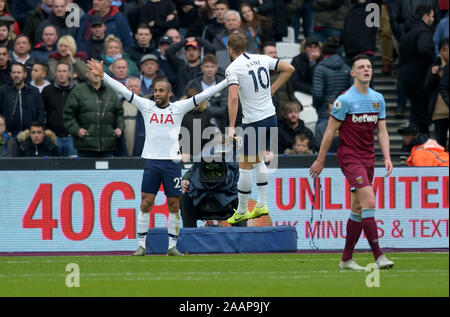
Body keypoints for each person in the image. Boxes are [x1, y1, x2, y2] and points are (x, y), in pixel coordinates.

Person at [85, 57, 228, 256]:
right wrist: (104, 76)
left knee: (173, 204)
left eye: (161, 91)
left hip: (172, 163)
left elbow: (205, 94)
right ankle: (141, 245)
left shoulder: (179, 108)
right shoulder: (146, 106)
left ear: (169, 93)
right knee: (146, 202)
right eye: (155, 90)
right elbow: (124, 91)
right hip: (152, 162)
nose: (157, 94)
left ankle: (172, 247)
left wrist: (226, 81)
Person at [310, 54, 394, 271]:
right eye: (361, 67)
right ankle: (379, 256)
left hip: (368, 157)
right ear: (353, 72)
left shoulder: (378, 99)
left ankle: (346, 259)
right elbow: (330, 131)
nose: (366, 69)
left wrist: (386, 156)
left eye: (369, 66)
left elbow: (382, 131)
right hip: (349, 157)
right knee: (370, 201)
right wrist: (320, 160)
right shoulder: (344, 100)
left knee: (357, 208)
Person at [225, 31, 295, 225]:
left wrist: (231, 126)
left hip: (253, 121)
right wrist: (273, 88)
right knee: (258, 161)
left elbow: (233, 97)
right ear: (245, 46)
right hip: (270, 118)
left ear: (230, 49)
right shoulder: (262, 58)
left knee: (245, 165)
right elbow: (289, 68)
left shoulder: (233, 68)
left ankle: (241, 210)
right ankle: (262, 204)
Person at [63, 64, 124, 158]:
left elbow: (119, 113)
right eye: (92, 70)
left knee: (107, 173)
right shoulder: (78, 91)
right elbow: (68, 116)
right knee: (85, 173)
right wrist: (76, 130)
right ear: (87, 73)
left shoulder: (110, 91)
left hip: (108, 146)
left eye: (98, 70)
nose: (96, 74)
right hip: (85, 146)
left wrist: (120, 127)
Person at [399, 4, 436, 136]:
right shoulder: (424, 31)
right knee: (420, 114)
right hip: (419, 77)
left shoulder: (408, 31)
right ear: (425, 17)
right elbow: (424, 48)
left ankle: (418, 143)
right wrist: (435, 60)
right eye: (432, 16)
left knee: (417, 112)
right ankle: (417, 144)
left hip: (406, 77)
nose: (433, 20)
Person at [183, 54, 228, 133]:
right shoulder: (192, 84)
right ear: (202, 68)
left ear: (217, 68)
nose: (209, 69)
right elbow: (185, 105)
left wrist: (203, 107)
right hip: (196, 125)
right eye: (207, 67)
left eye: (212, 66)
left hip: (220, 125)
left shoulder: (223, 85)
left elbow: (224, 110)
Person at [312, 37, 352, 125]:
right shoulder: (347, 68)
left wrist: (318, 106)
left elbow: (317, 93)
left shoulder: (319, 69)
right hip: (343, 112)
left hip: (325, 113)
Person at [42, 61, 77, 156]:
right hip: (52, 137)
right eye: (59, 71)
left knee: (73, 167)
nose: (61, 74)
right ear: (55, 73)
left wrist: (76, 131)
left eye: (64, 71)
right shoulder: (47, 90)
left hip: (72, 138)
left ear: (70, 73)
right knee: (52, 168)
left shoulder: (77, 90)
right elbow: (41, 112)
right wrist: (45, 130)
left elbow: (82, 113)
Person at [0, 62, 45, 137]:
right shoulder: (3, 90)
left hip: (29, 135)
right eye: (14, 72)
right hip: (8, 134)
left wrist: (36, 131)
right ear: (10, 74)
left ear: (25, 74)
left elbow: (40, 113)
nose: (16, 75)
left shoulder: (34, 91)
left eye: (19, 72)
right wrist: (4, 131)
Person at [261, 42, 296, 119]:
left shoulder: (284, 72)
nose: (274, 55)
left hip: (285, 116)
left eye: (275, 52)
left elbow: (290, 93)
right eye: (271, 53)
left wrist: (296, 105)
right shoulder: (259, 76)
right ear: (262, 56)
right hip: (268, 117)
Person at [425, 38, 448, 150]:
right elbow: (428, 88)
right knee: (440, 143)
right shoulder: (435, 65)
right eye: (443, 50)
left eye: (448, 50)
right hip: (439, 111)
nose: (446, 53)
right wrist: (433, 75)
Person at [122, 76, 141, 156]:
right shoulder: (119, 104)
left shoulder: (146, 105)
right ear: (126, 88)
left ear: (140, 89)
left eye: (136, 86)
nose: (133, 88)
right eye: (130, 86)